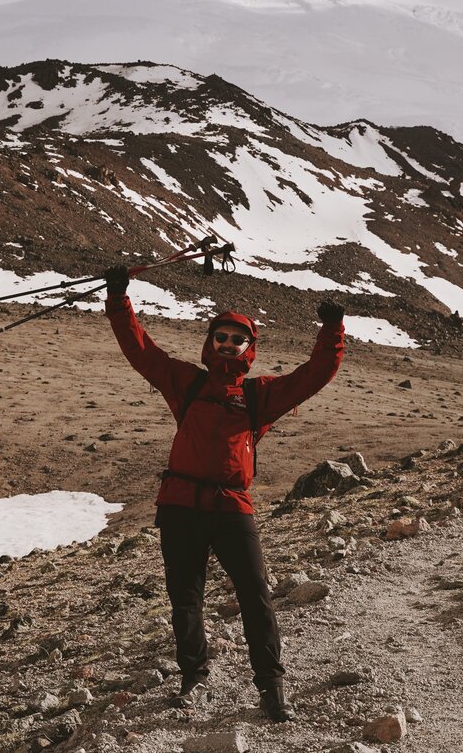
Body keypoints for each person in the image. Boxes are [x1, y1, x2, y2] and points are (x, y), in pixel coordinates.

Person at [103, 264, 345, 722]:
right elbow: (141, 351)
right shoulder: (188, 383)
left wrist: (332, 329)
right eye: (222, 337)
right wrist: (118, 298)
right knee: (185, 598)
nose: (229, 344)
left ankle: (272, 688)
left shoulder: (260, 396)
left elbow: (316, 374)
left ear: (249, 348)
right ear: (210, 343)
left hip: (233, 506)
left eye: (238, 339)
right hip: (179, 506)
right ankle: (194, 677)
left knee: (256, 593)